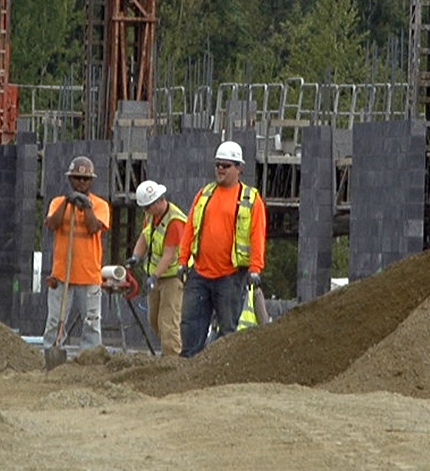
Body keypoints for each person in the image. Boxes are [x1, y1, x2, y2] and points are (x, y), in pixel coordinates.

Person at [177, 140, 267, 357]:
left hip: (231, 276)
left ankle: (222, 373)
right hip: (200, 273)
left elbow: (258, 234)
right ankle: (188, 368)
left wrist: (255, 268)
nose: (220, 169)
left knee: (228, 330)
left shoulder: (250, 199)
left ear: (239, 168)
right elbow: (190, 228)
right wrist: (182, 261)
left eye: (226, 165)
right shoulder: (205, 194)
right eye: (218, 164)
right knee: (191, 326)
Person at [42, 155, 111, 358]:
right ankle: (52, 358)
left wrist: (86, 206)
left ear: (91, 181)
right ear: (70, 179)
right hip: (62, 274)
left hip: (89, 275)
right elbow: (52, 224)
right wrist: (67, 203)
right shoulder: (57, 203)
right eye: (77, 178)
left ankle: (89, 359)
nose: (81, 182)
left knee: (91, 322)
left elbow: (93, 228)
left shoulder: (100, 205)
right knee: (56, 321)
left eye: (86, 179)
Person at [126, 179, 187, 355]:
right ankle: (169, 349)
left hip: (172, 276)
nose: (145, 211)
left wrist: (154, 277)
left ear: (159, 201)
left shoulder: (175, 221)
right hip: (155, 274)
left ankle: (172, 359)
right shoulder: (151, 216)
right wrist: (135, 257)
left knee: (168, 320)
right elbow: (145, 237)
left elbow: (169, 254)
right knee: (154, 320)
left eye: (148, 207)